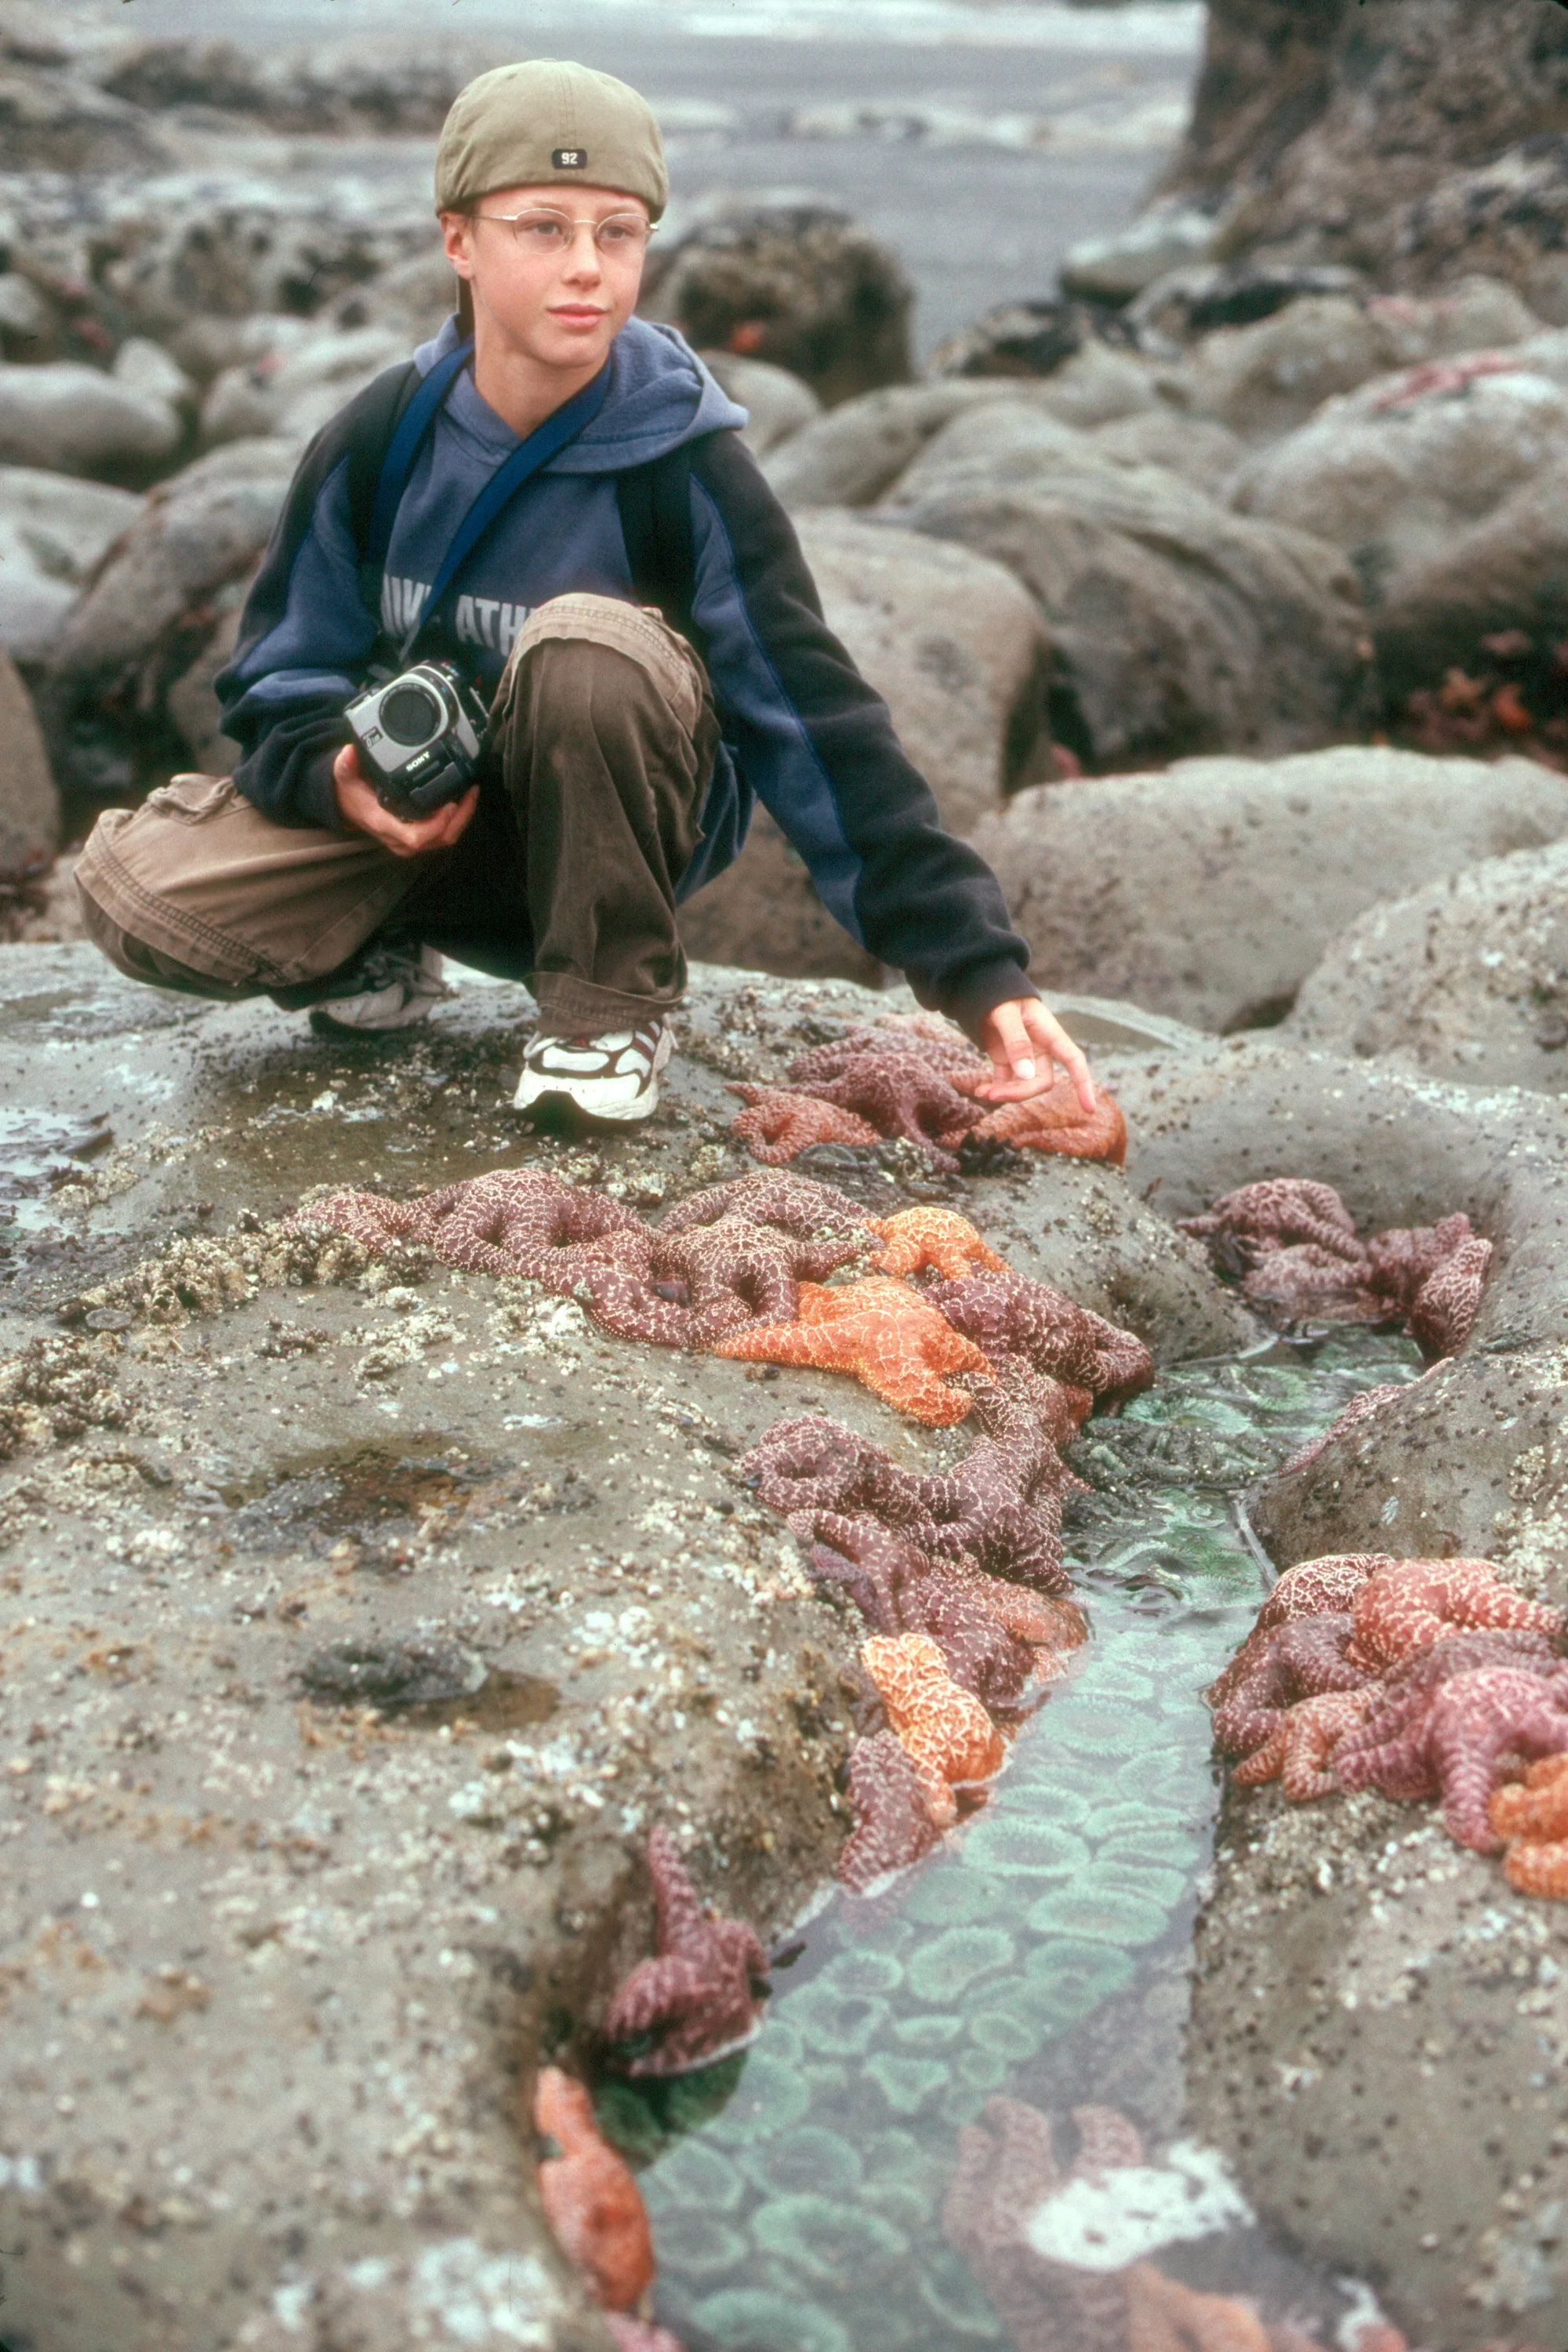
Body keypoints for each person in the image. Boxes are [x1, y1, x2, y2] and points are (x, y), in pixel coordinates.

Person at [75, 58, 1096, 1132]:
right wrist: (338, 777)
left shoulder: (690, 468)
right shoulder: (381, 440)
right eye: (543, 228)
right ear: (458, 240)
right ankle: (385, 952)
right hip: (424, 836)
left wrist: (979, 974)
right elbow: (278, 676)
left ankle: (607, 1009)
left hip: (621, 820)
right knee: (135, 894)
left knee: (581, 647)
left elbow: (820, 727)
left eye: (618, 233)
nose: (587, 270)